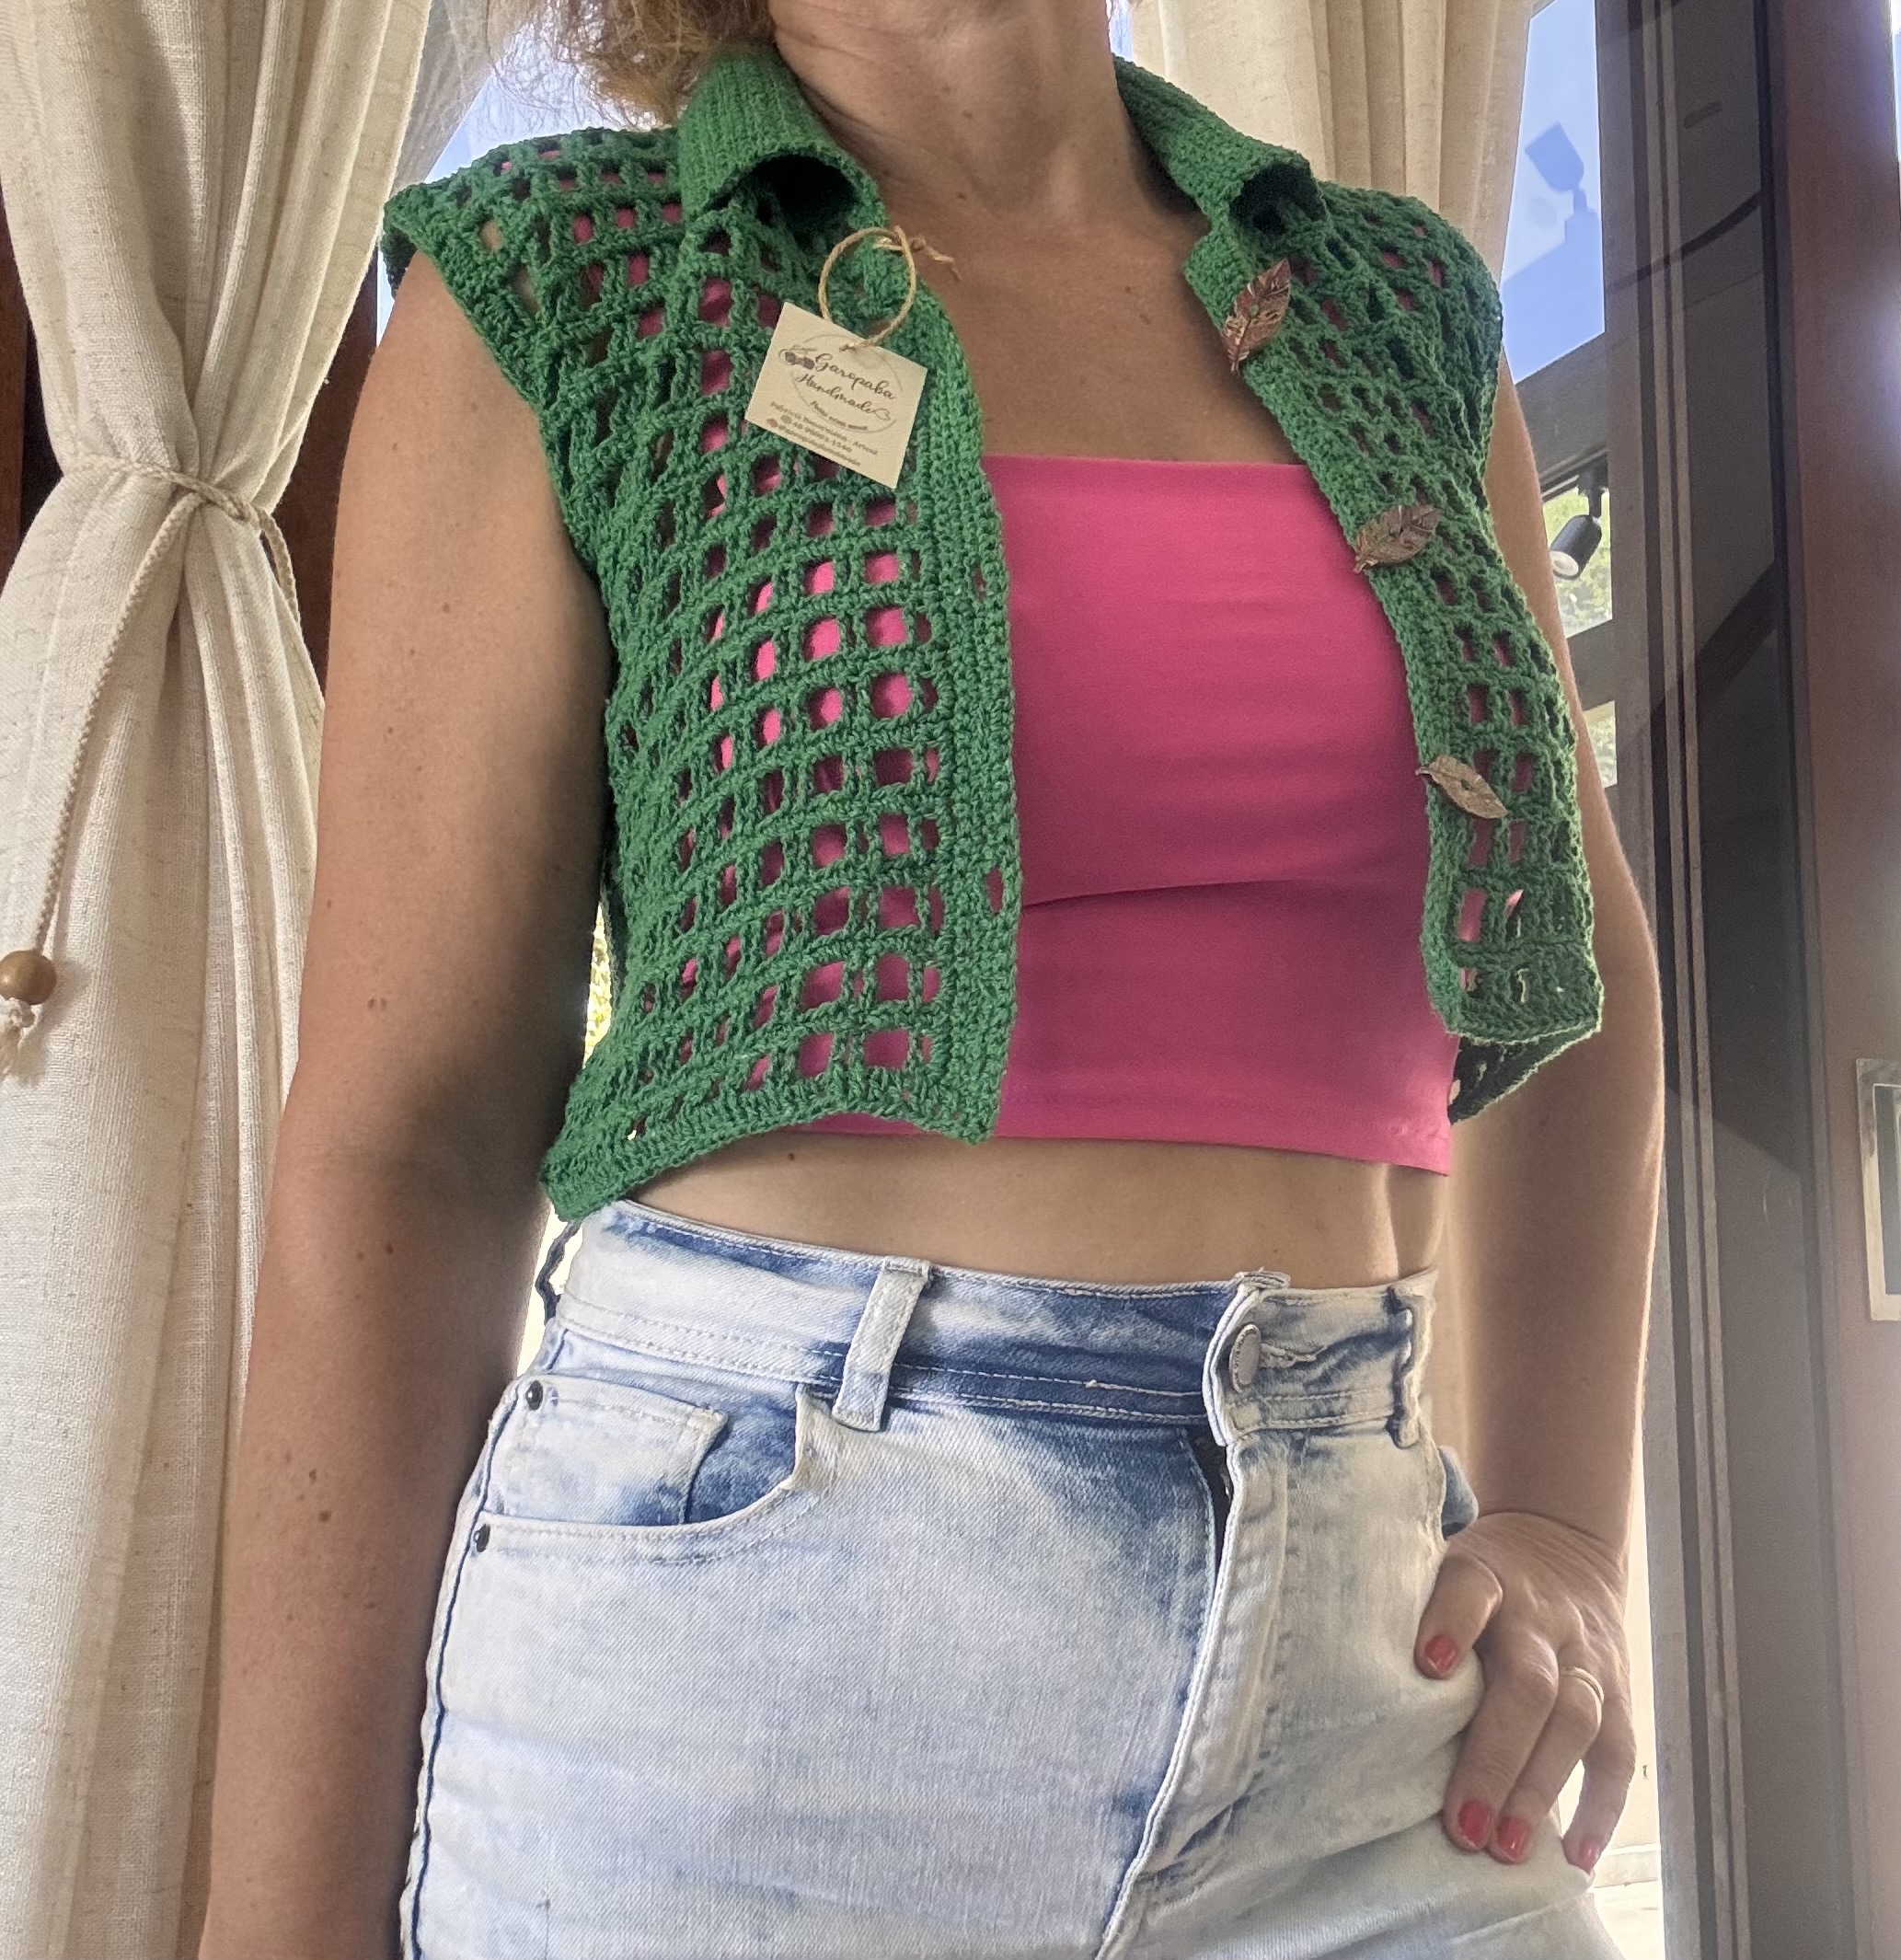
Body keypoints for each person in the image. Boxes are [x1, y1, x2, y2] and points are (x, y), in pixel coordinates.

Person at [199, 2, 1664, 1954]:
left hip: (1370, 1660)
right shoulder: (568, 279)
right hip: (752, 1664)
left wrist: (1564, 1520)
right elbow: (410, 1148)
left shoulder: (1390, 306)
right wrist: (278, 1917)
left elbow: (1571, 959)